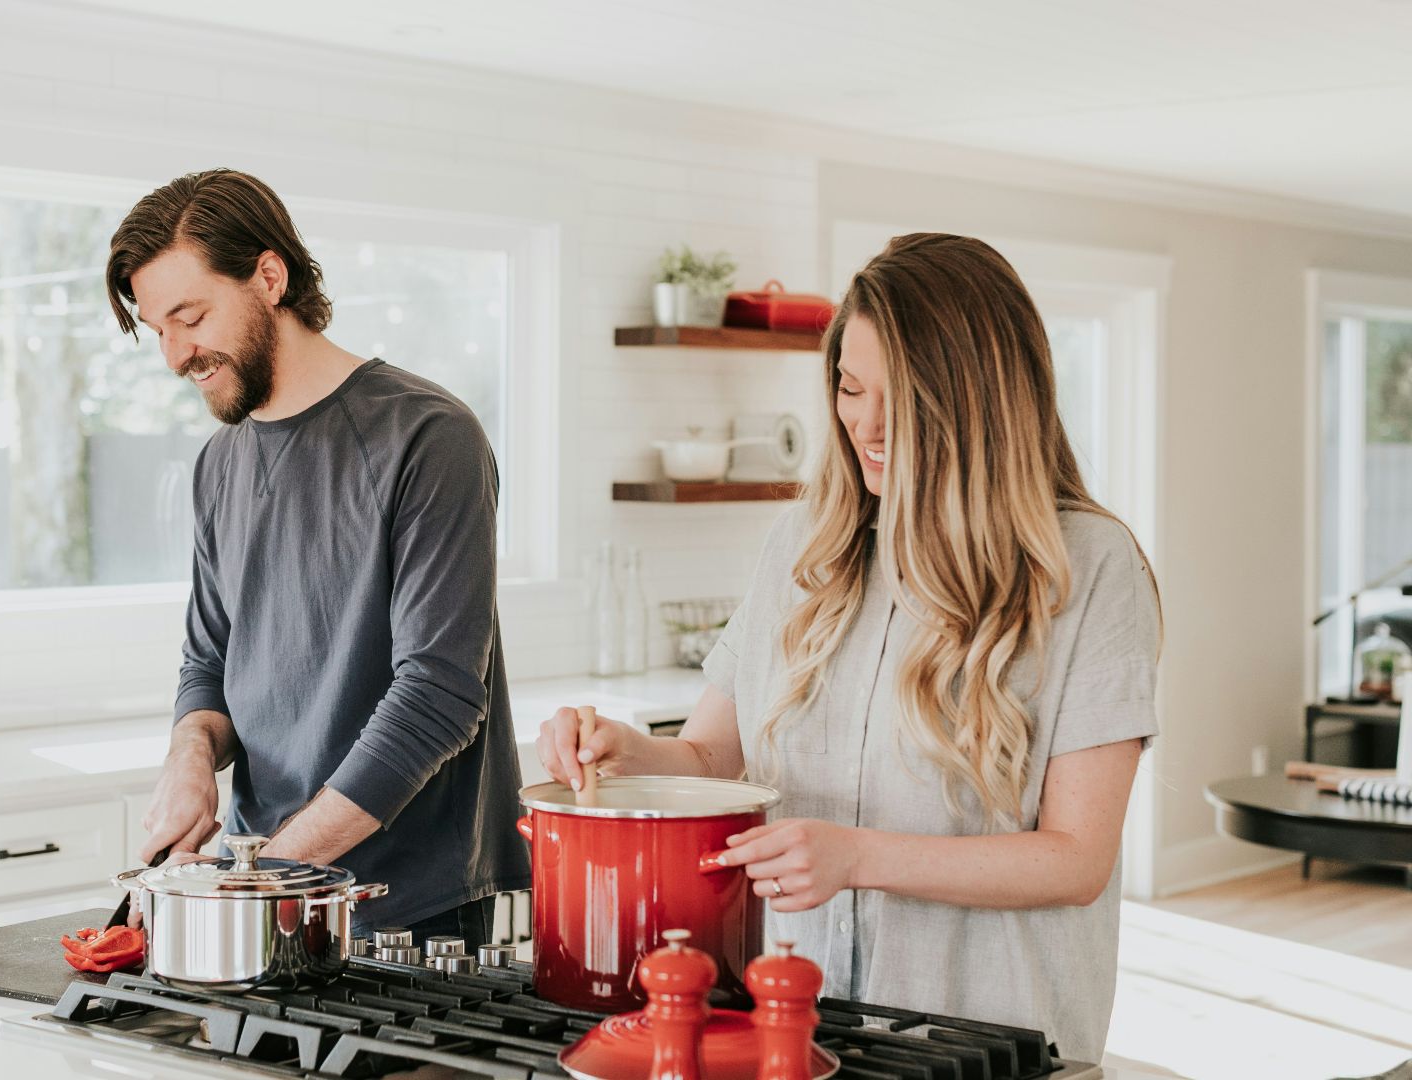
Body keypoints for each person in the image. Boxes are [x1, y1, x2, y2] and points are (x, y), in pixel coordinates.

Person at [537, 233, 1160, 1061]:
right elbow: (716, 756)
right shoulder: (804, 544)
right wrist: (630, 755)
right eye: (849, 387)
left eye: (899, 396)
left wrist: (859, 857)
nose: (866, 424)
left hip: (982, 1041)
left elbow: (1076, 859)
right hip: (796, 1030)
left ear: (981, 400)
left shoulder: (1089, 568)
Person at [107, 168, 529, 950]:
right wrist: (190, 757)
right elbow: (210, 662)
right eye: (156, 328)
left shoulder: (428, 437)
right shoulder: (219, 462)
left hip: (408, 910)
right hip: (257, 888)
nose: (174, 356)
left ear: (270, 276)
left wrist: (263, 878)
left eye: (189, 317)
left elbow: (439, 695)